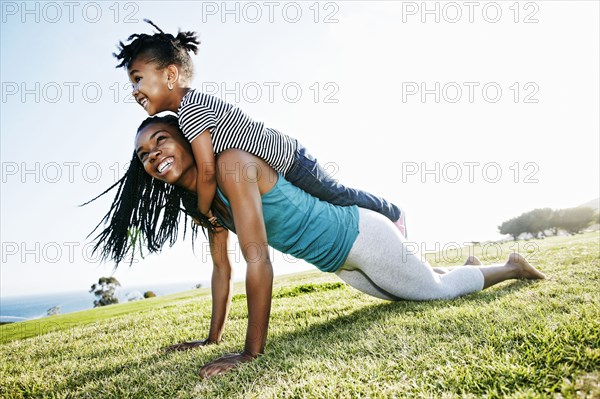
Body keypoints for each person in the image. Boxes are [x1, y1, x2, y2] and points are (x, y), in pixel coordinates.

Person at [87, 115, 546, 379]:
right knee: (408, 293)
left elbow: (257, 258)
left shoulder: (229, 164)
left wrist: (250, 353)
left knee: (432, 294)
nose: (153, 155)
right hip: (341, 264)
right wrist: (211, 338)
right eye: (144, 154)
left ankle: (509, 265)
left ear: (187, 139)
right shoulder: (200, 201)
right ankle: (467, 266)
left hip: (360, 235)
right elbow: (222, 270)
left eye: (160, 140)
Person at [112, 19, 407, 236]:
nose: (135, 91)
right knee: (330, 203)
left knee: (337, 196)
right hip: (278, 164)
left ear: (170, 75)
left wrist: (203, 211)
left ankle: (392, 213)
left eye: (137, 79)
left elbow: (207, 171)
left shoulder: (190, 112)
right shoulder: (189, 109)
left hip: (290, 160)